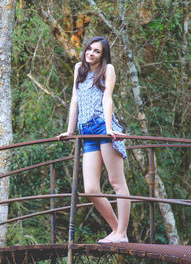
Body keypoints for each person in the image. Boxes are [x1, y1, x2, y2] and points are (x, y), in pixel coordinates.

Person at [58, 36, 131, 243]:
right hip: (86, 132)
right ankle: (117, 230)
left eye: (97, 51)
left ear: (103, 55)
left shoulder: (108, 70)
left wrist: (108, 128)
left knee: (116, 183)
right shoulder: (79, 68)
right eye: (89, 49)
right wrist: (70, 131)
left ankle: (122, 233)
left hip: (103, 127)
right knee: (90, 189)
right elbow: (75, 99)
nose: (91, 53)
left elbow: (107, 98)